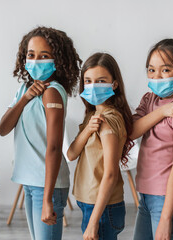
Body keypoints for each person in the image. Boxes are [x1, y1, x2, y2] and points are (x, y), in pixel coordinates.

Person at [0, 26, 81, 240]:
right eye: (31, 55)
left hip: (48, 186)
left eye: (44, 56)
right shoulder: (24, 90)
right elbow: (3, 128)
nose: (36, 60)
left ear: (58, 60)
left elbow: (54, 147)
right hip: (30, 182)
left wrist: (47, 200)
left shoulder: (52, 92)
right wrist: (24, 99)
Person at [132, 39, 173, 240]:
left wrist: (166, 219)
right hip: (145, 196)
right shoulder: (149, 100)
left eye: (165, 70)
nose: (156, 76)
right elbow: (131, 131)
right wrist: (162, 111)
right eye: (151, 70)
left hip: (168, 201)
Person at [67, 52, 133, 240]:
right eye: (88, 81)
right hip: (89, 203)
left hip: (101, 207)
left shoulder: (108, 120)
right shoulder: (92, 117)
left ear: (114, 84)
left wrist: (93, 222)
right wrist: (88, 130)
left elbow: (111, 174)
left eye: (101, 80)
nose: (93, 86)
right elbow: (71, 154)